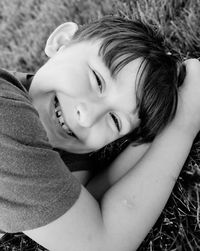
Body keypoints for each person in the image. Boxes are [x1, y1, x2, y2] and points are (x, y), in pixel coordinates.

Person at [0, 16, 199, 251]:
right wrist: (183, 124)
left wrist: (162, 125)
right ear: (61, 40)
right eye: (97, 81)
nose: (87, 117)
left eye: (114, 120)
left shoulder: (71, 158)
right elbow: (100, 243)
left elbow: (82, 205)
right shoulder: (8, 117)